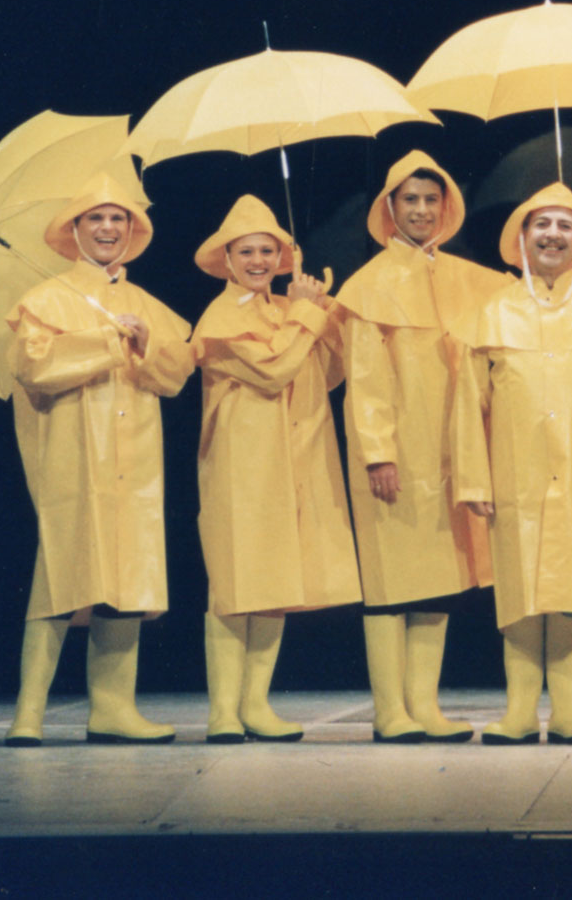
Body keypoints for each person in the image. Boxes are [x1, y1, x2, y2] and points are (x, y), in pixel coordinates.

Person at [2, 168, 195, 745]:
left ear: (132, 231)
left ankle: (112, 709)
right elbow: (33, 366)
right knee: (62, 575)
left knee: (127, 577)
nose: (108, 228)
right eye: (96, 218)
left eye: (118, 219)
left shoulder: (144, 303)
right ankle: (28, 713)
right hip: (73, 458)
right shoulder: (46, 299)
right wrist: (108, 340)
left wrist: (147, 345)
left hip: (135, 459)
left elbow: (176, 375)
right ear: (75, 229)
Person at [449, 182, 572, 745]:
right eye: (541, 224)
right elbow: (469, 403)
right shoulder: (492, 312)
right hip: (513, 472)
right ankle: (520, 711)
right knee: (520, 590)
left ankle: (569, 710)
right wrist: (473, 478)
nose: (552, 234)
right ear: (521, 236)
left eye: (565, 225)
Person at [335, 151, 499, 743]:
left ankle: (424, 706)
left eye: (432, 199)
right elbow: (364, 378)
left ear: (447, 207)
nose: (422, 210)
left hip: (452, 450)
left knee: (439, 578)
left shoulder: (468, 278)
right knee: (391, 582)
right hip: (397, 451)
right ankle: (389, 711)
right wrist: (378, 452)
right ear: (390, 208)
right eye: (411, 200)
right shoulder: (368, 285)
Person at [189, 195, 359, 743]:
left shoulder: (287, 310)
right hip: (241, 461)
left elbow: (327, 372)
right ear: (226, 259)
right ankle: (223, 710)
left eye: (267, 250)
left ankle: (256, 704)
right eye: (246, 251)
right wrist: (305, 316)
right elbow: (273, 369)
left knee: (275, 579)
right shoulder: (219, 317)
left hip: (291, 457)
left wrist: (322, 311)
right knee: (234, 581)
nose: (258, 260)